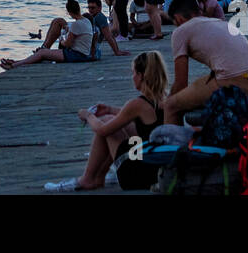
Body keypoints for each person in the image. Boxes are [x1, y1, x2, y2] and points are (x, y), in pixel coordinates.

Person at [45, 52, 169, 191]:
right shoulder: (165, 99)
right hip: (155, 171)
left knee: (106, 123)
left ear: (140, 76)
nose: (132, 77)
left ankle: (88, 179)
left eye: (133, 73)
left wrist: (87, 116)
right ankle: (97, 178)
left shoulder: (137, 104)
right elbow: (138, 116)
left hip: (136, 176)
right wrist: (110, 109)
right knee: (111, 119)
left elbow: (102, 130)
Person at [163, 0, 248, 125]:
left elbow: (181, 83)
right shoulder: (221, 23)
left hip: (234, 84)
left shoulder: (181, 31)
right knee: (202, 84)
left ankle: (172, 144)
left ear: (178, 19)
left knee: (171, 106)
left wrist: (168, 100)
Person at [1, 0, 94, 69]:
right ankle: (17, 62)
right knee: (58, 22)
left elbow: (68, 44)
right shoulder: (86, 21)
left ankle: (14, 65)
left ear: (69, 12)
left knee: (42, 53)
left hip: (76, 55)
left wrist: (61, 40)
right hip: (80, 53)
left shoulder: (76, 24)